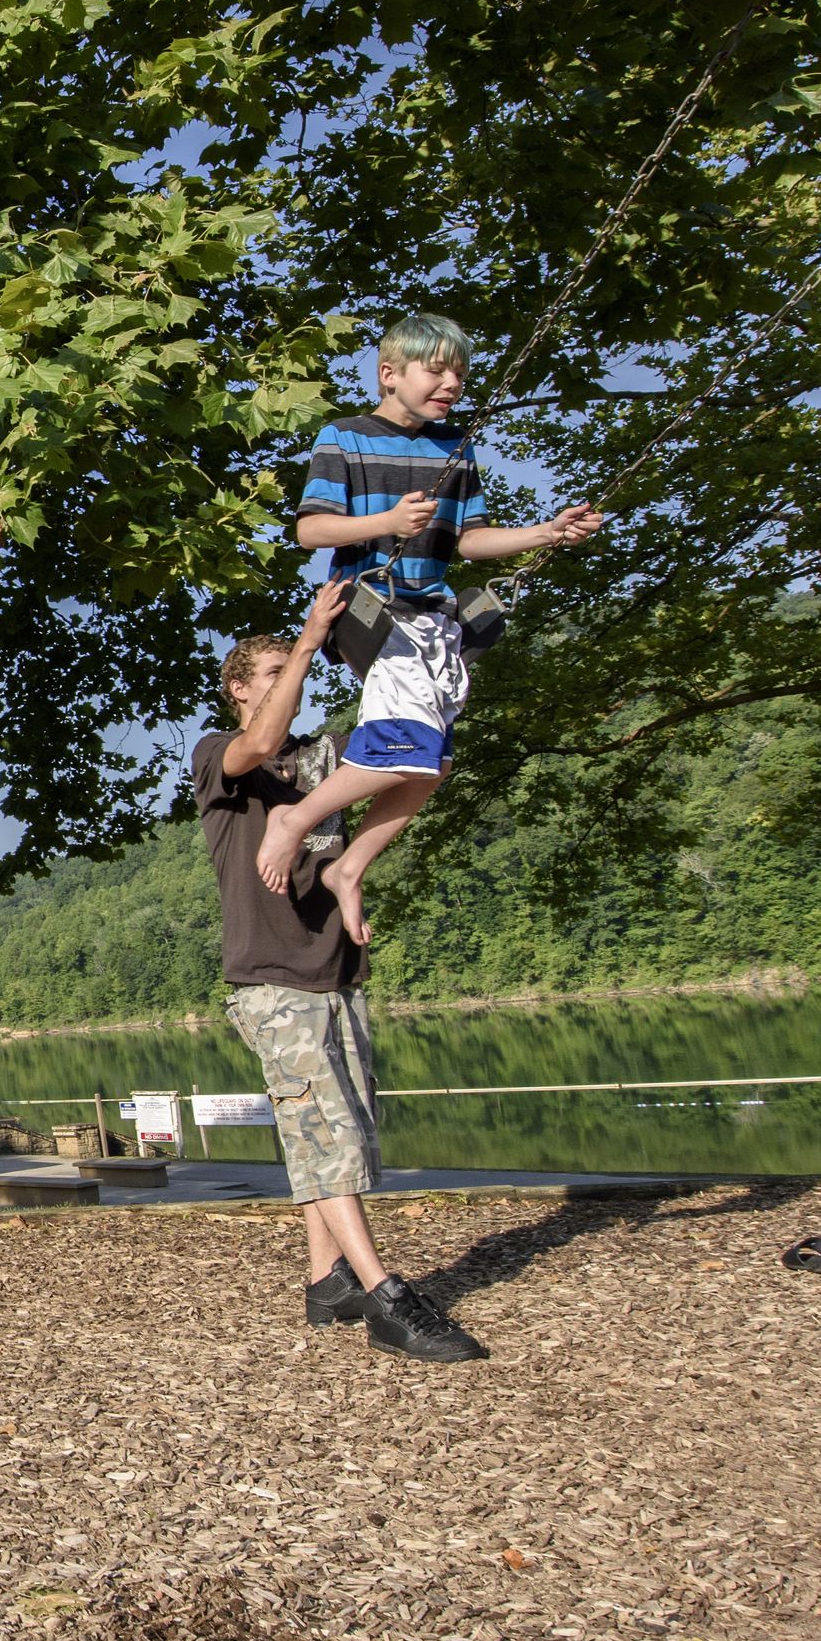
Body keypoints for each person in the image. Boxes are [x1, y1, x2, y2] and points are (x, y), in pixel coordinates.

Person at [249, 313, 604, 942]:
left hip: (436, 618)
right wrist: (385, 520)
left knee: (431, 764)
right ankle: (294, 821)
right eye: (436, 369)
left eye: (459, 373)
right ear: (389, 374)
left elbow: (468, 541)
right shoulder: (346, 437)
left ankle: (349, 868)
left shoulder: (456, 448)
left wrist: (547, 532)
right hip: (371, 610)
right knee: (407, 743)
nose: (451, 383)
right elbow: (311, 529)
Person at [197, 584, 483, 1364]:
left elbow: (409, 764)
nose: (295, 674)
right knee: (324, 1138)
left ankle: (328, 1281)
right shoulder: (219, 760)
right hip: (271, 977)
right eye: (276, 669)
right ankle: (388, 1296)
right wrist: (311, 627)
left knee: (342, 1133)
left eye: (298, 667)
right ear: (240, 687)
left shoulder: (326, 755)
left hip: (337, 969)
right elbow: (259, 744)